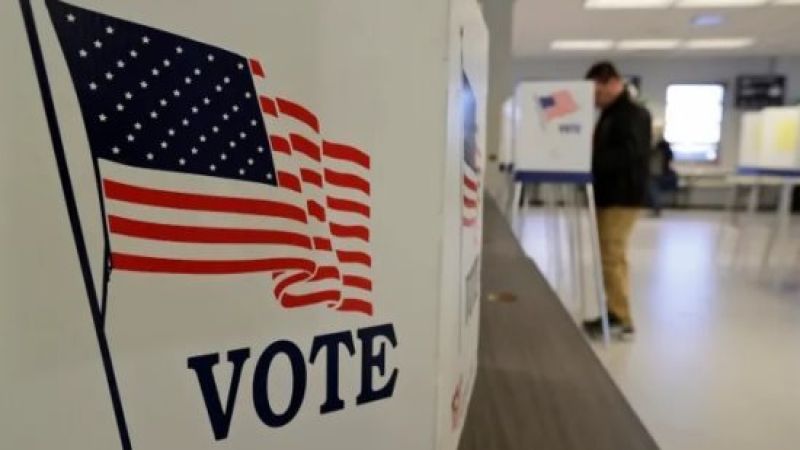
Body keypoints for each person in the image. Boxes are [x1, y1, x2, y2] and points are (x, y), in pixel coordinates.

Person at [582, 62, 652, 339]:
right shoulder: (612, 113)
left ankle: (621, 318)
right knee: (610, 256)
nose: (595, 100)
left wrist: (590, 161)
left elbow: (629, 154)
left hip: (622, 196)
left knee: (612, 256)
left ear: (613, 83)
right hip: (610, 194)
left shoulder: (632, 114)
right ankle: (613, 311)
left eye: (597, 93)